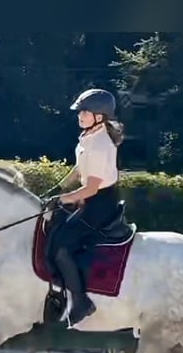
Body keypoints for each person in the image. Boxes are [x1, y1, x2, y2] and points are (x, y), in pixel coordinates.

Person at [47, 88, 125, 327]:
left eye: (85, 112)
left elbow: (91, 189)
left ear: (99, 117)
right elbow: (78, 171)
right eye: (80, 111)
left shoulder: (101, 144)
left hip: (100, 204)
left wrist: (64, 199)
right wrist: (56, 190)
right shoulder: (88, 137)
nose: (80, 116)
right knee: (51, 225)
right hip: (89, 197)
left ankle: (81, 302)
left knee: (61, 247)